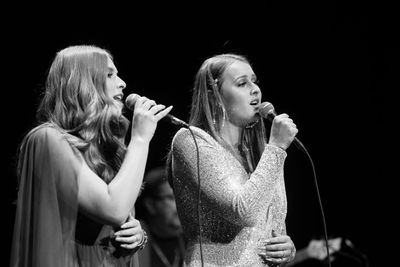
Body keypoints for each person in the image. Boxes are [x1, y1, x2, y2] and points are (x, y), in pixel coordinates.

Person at [9, 45, 173, 267]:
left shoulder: (109, 146)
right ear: (83, 84)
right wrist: (141, 139)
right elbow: (113, 208)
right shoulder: (47, 139)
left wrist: (137, 235)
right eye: (109, 74)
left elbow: (122, 216)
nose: (122, 83)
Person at [166, 53, 298, 266]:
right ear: (213, 94)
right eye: (242, 83)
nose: (255, 89)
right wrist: (276, 148)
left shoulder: (262, 153)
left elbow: (276, 225)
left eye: (254, 81)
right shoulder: (191, 141)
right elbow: (241, 211)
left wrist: (286, 250)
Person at [136, 166, 186, 267]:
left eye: (183, 198)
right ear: (151, 205)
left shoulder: (192, 240)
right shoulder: (136, 239)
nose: (181, 206)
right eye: (171, 198)